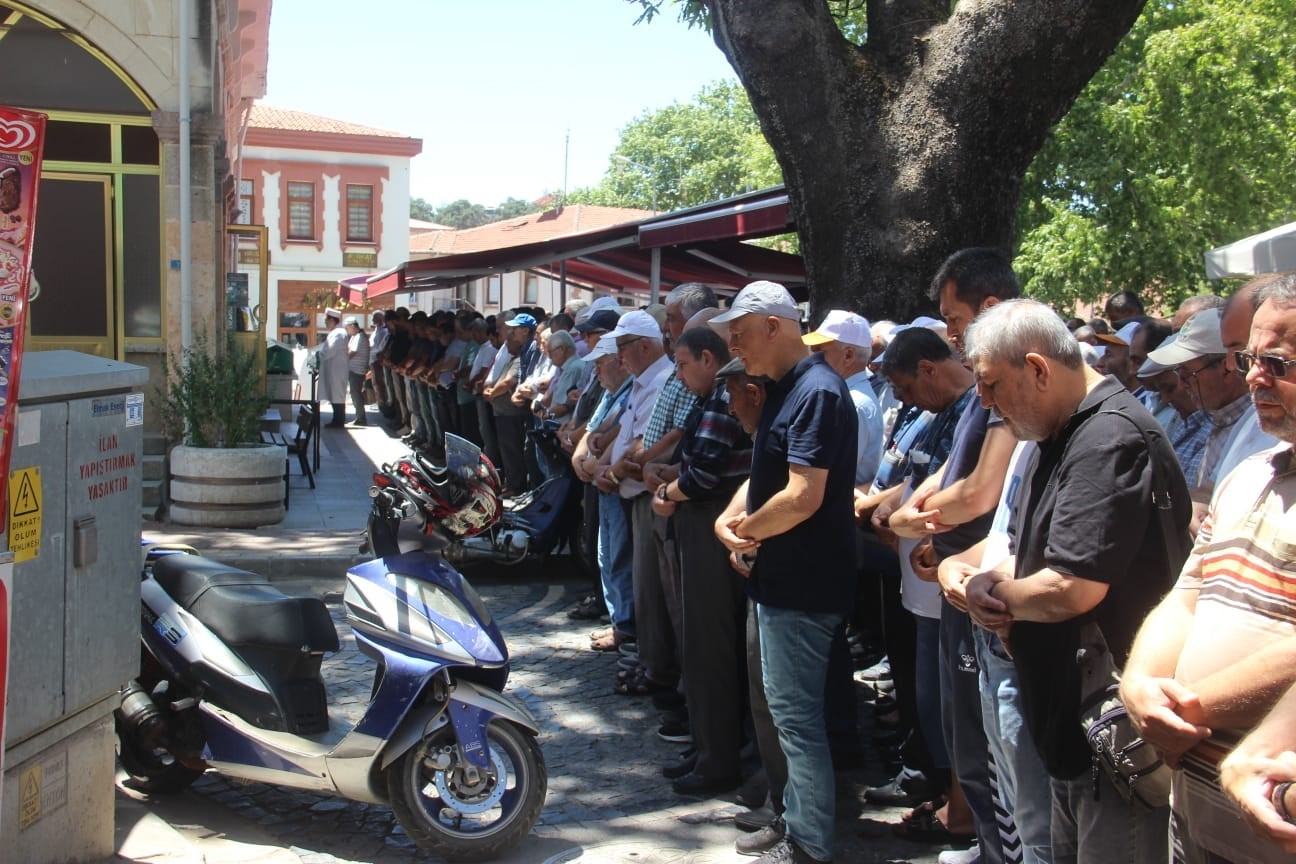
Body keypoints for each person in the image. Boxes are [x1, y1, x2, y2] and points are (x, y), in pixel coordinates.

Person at [958, 298, 1191, 864]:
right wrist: (985, 581)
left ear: (1037, 369)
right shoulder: (1058, 434)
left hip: (1112, 741)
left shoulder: (1108, 437)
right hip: (1076, 735)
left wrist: (993, 596)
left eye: (991, 385)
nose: (985, 402)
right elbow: (1039, 554)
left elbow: (1071, 587)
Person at [1121, 273, 1296, 864]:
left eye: (1278, 362)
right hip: (1194, 806)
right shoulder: (1251, 472)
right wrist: (1138, 684)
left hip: (1269, 818)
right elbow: (1189, 591)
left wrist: (1182, 710)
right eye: (1249, 358)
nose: (1252, 377)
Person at [711, 280, 857, 864]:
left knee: (797, 719)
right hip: (782, 577)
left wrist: (744, 532)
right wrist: (733, 516)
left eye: (740, 336)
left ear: (774, 327)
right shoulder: (783, 388)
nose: (735, 349)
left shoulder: (817, 391)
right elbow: (768, 473)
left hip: (805, 583)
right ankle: (796, 823)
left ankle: (810, 845)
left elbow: (802, 497)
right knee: (786, 714)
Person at [653, 326, 752, 797]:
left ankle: (717, 758)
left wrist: (668, 490)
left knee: (709, 648)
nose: (678, 373)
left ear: (709, 359)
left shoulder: (718, 401)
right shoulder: (709, 400)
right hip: (707, 521)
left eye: (683, 363)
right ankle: (709, 746)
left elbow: (706, 473)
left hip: (710, 525)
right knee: (701, 645)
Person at [319, 307, 349, 427]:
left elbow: (330, 350)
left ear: (332, 320)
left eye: (326, 320)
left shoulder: (338, 333)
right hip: (335, 368)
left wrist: (320, 354)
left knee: (337, 395)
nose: (325, 323)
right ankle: (337, 420)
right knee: (335, 393)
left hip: (337, 369)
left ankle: (338, 421)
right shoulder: (336, 332)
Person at [344, 316, 370, 426]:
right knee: (354, 394)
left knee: (356, 394)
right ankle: (359, 416)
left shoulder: (359, 337)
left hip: (357, 370)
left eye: (347, 328)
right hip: (354, 370)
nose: (347, 330)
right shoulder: (355, 337)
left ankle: (361, 418)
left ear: (353, 326)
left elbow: (351, 353)